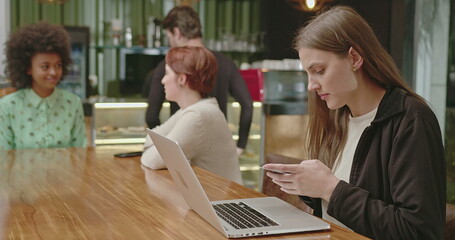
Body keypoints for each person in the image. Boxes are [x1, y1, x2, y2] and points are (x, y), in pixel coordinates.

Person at [263, 6, 446, 239]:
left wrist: (330, 188)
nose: (311, 85)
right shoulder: (338, 116)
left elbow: (417, 231)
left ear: (354, 58)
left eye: (319, 70)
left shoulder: (410, 119)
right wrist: (309, 187)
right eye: (308, 74)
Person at [145, 6, 253, 155]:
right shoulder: (226, 62)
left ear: (176, 32)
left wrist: (167, 148)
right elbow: (247, 105)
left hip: (184, 148)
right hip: (219, 149)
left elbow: (151, 116)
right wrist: (240, 146)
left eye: (169, 37)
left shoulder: (168, 65)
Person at [141, 46, 242, 184]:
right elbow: (151, 138)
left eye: (167, 73)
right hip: (215, 197)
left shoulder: (198, 115)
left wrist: (155, 150)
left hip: (223, 201)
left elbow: (153, 160)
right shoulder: (192, 109)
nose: (163, 80)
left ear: (182, 79)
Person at [0, 22, 86, 149]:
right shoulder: (8, 106)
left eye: (58, 65)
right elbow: (4, 158)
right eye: (45, 66)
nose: (53, 72)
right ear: (28, 68)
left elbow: (80, 154)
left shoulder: (73, 103)